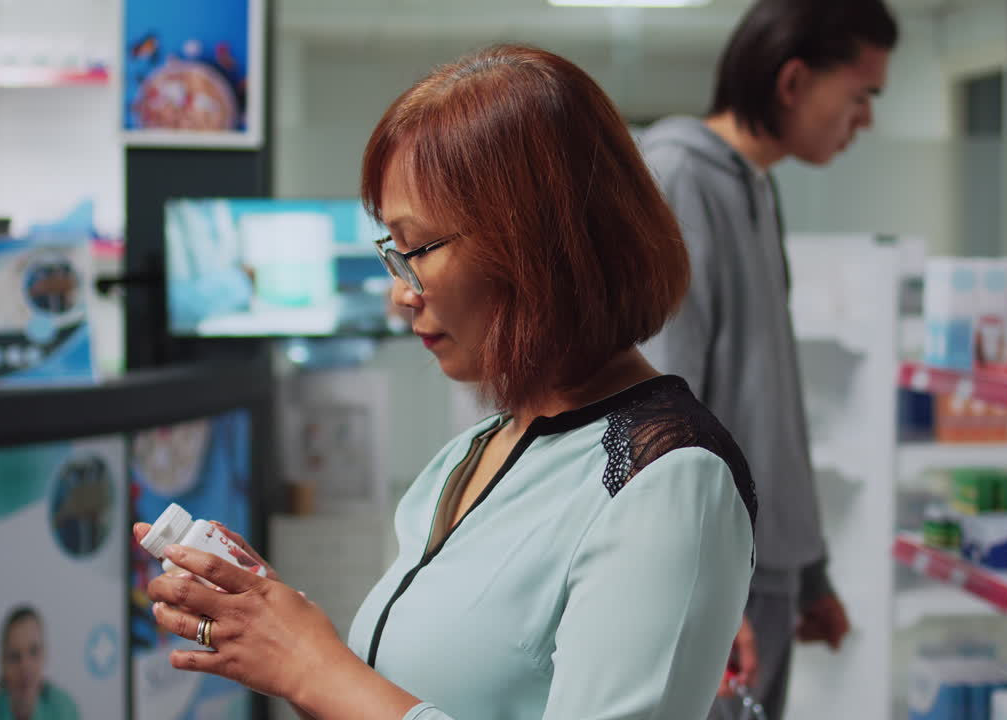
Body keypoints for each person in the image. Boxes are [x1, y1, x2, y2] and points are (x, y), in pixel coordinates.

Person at [133, 44, 757, 720]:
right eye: (391, 252)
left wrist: (315, 667)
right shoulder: (474, 451)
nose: (401, 293)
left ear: (539, 243)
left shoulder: (669, 481)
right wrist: (283, 637)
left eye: (419, 248)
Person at [637, 1, 898, 717]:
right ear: (792, 82)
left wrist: (810, 575)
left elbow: (769, 400)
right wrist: (694, 591)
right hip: (718, 575)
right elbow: (659, 406)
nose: (865, 120)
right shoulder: (679, 178)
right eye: (860, 96)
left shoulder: (756, 185)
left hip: (766, 569)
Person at [0, 606, 80, 720]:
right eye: (15, 656)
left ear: (45, 654)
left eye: (34, 651)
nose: (26, 667)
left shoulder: (65, 711)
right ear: (2, 663)